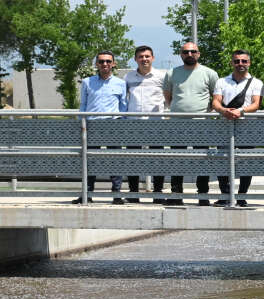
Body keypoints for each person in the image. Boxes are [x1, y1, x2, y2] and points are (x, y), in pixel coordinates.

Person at [163, 42, 219, 206]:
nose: (189, 54)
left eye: (193, 51)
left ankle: (203, 194)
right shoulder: (172, 73)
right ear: (181, 54)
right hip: (177, 125)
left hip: (201, 124)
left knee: (202, 159)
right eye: (186, 52)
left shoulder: (209, 73)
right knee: (177, 159)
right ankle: (176, 194)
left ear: (199, 54)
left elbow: (215, 97)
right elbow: (168, 97)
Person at [72, 51, 128, 205]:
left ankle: (117, 194)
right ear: (96, 64)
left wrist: (121, 123)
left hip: (113, 125)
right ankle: (87, 193)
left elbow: (123, 106)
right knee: (89, 160)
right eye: (101, 61)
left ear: (113, 64)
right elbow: (83, 105)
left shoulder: (120, 83)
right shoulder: (87, 82)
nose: (105, 64)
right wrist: (81, 123)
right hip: (92, 125)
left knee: (115, 160)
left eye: (108, 61)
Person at [211, 49, 262, 207]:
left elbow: (255, 104)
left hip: (247, 128)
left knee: (246, 161)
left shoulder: (256, 82)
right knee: (222, 160)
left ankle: (241, 196)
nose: (240, 64)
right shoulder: (221, 81)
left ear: (249, 63)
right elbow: (215, 102)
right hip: (224, 126)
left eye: (244, 61)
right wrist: (223, 111)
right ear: (231, 63)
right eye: (237, 61)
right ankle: (225, 194)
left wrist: (240, 111)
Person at [124, 45, 167, 204]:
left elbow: (168, 96)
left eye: (147, 56)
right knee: (133, 159)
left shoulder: (161, 76)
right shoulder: (128, 77)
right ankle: (133, 192)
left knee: (157, 159)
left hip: (155, 124)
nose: (144, 59)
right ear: (136, 59)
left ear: (153, 58)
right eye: (141, 57)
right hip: (133, 124)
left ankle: (158, 192)